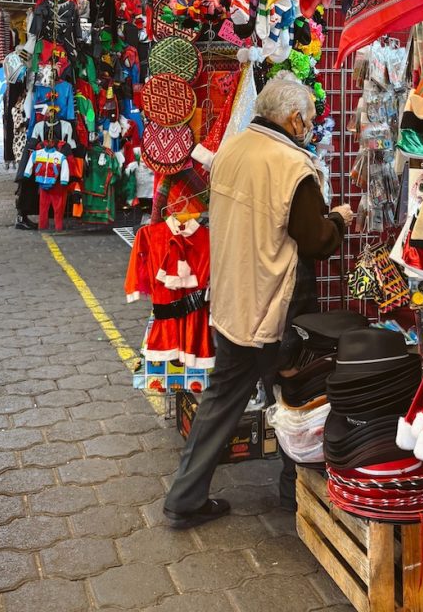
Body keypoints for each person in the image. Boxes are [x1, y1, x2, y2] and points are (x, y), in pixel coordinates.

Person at [164, 72, 354, 528]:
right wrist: (340, 219)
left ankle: (184, 498)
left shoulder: (232, 149)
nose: (310, 128)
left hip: (232, 302)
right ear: (292, 119)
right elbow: (314, 241)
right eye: (308, 121)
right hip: (277, 306)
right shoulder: (292, 167)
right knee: (301, 397)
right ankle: (294, 494)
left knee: (222, 398)